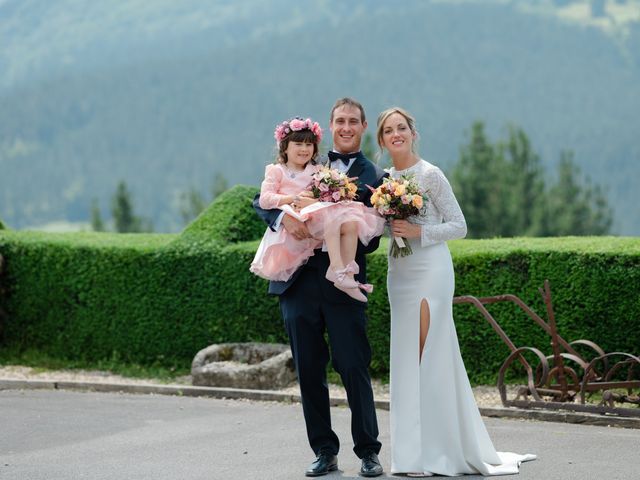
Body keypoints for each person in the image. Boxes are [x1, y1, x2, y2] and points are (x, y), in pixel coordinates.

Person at [377, 106, 536, 476]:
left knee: (429, 351)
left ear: (413, 133)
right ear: (382, 140)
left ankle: (439, 451)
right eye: (388, 130)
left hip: (430, 268)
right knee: (405, 356)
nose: (396, 134)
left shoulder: (430, 174)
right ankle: (410, 454)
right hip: (399, 271)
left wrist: (419, 233)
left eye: (401, 127)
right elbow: (382, 227)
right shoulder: (384, 179)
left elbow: (459, 225)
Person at [253, 98, 386, 477]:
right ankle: (324, 451)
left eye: (353, 122)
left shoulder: (373, 173)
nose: (346, 127)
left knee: (353, 365)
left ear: (362, 128)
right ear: (329, 126)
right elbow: (261, 199)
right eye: (339, 121)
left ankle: (368, 452)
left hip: (343, 282)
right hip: (296, 282)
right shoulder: (308, 159)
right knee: (309, 369)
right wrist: (283, 216)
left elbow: (372, 239)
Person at [250, 117, 384, 302]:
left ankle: (344, 274)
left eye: (309, 145)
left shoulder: (318, 169)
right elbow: (262, 200)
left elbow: (318, 193)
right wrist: (288, 210)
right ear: (285, 146)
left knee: (352, 221)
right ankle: (338, 270)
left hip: (315, 216)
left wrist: (337, 191)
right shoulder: (277, 170)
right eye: (298, 144)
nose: (304, 149)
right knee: (333, 217)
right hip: (298, 225)